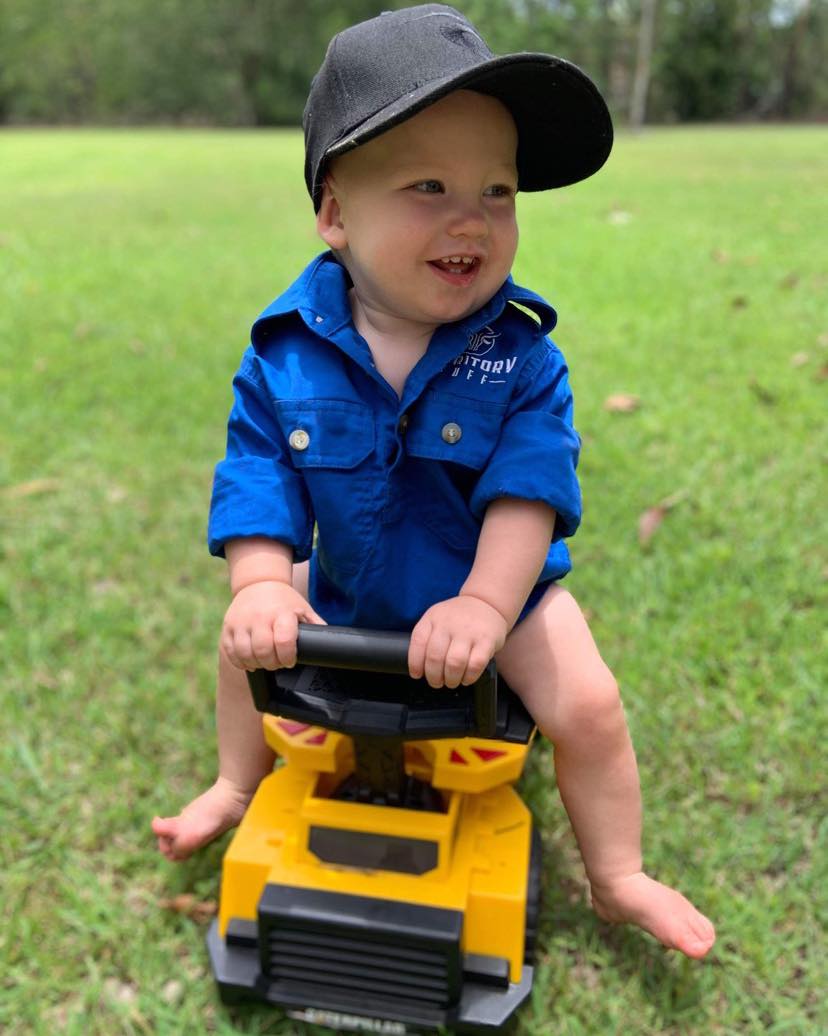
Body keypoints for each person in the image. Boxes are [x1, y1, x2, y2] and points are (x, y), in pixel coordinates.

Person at [152, 4, 715, 960]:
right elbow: (258, 470)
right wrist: (258, 580)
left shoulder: (523, 358)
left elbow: (528, 492)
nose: (473, 218)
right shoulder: (284, 353)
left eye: (498, 191)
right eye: (429, 185)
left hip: (498, 585)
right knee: (245, 636)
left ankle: (618, 874)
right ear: (335, 212)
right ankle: (236, 785)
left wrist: (489, 609)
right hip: (352, 587)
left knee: (586, 701)